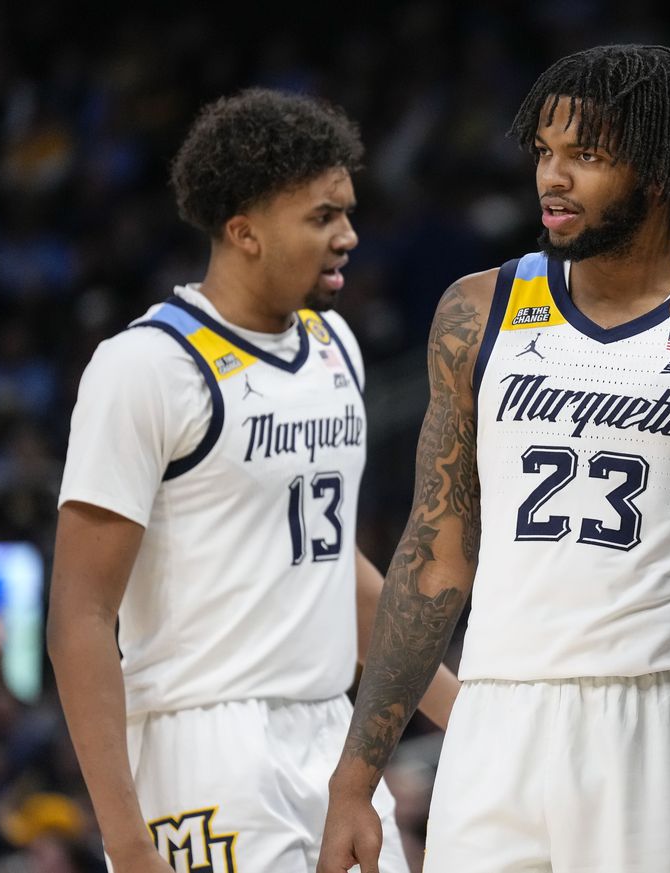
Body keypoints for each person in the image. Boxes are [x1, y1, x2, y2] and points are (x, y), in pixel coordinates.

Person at [318, 44, 670, 873]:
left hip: (662, 706)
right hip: (496, 709)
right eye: (545, 151)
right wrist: (354, 779)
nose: (553, 177)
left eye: (587, 155)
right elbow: (434, 555)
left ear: (657, 170)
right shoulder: (481, 308)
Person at [47, 88, 458, 873]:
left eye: (347, 211)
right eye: (322, 216)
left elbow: (329, 568)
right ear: (244, 232)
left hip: (332, 736)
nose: (349, 235)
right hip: (203, 750)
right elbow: (79, 617)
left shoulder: (336, 344)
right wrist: (126, 842)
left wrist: (455, 708)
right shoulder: (146, 368)